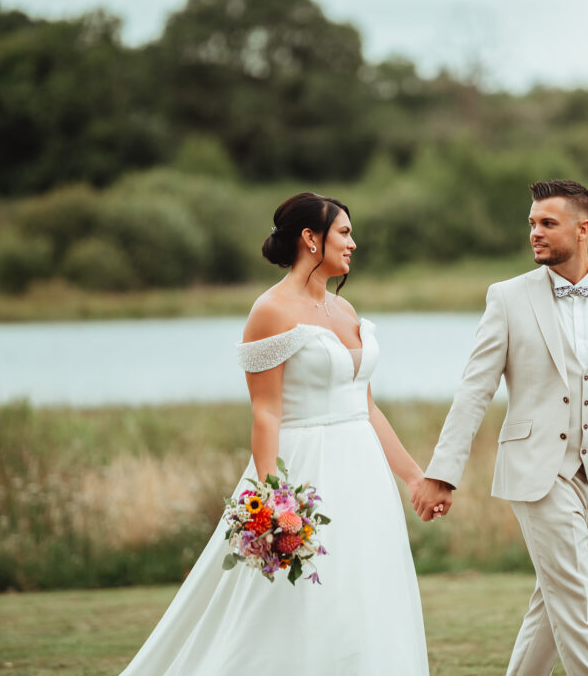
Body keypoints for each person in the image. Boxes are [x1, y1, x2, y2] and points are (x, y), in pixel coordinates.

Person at [120, 192, 433, 675]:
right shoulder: (270, 311)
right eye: (344, 233)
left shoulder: (345, 310)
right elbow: (265, 413)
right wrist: (272, 502)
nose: (353, 243)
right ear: (311, 238)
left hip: (363, 472)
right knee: (295, 601)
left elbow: (365, 405)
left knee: (365, 591)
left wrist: (412, 477)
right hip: (306, 469)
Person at [411, 179, 588, 676]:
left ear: (582, 228)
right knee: (576, 603)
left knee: (554, 604)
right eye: (532, 223)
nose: (535, 233)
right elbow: (474, 390)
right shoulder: (507, 298)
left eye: (548, 223)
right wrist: (443, 472)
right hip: (537, 471)